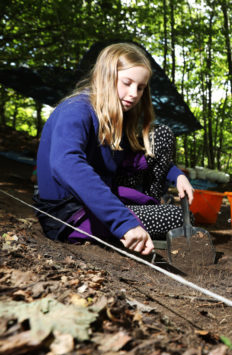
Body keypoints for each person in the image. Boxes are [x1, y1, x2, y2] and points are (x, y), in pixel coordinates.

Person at [34, 42, 194, 256]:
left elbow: (131, 156)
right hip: (69, 214)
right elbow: (67, 163)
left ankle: (147, 209)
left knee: (161, 135)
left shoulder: (113, 117)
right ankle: (137, 223)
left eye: (140, 87)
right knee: (177, 218)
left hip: (99, 197)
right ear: (105, 77)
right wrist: (124, 223)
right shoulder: (76, 110)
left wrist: (177, 175)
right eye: (127, 83)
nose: (134, 93)